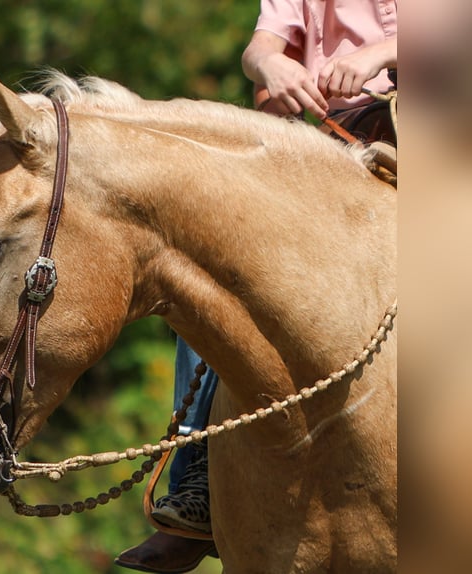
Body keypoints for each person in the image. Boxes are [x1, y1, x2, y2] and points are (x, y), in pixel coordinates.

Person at [115, 1, 397, 572]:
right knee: (218, 271)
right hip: (320, 153)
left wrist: (378, 55)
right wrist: (272, 68)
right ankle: (196, 476)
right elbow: (260, 46)